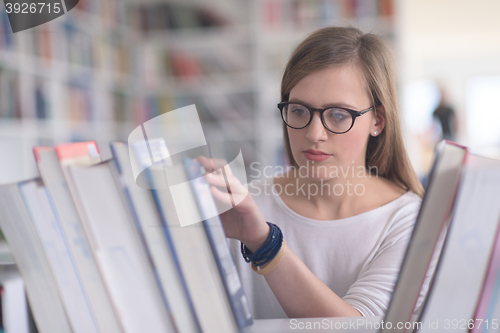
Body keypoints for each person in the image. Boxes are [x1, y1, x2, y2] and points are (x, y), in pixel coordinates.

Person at [198, 26, 424, 319]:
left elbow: (361, 327)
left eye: (339, 115)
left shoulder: (409, 220)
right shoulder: (243, 208)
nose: (314, 133)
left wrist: (265, 244)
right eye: (299, 111)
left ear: (377, 121)